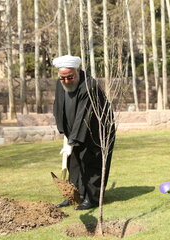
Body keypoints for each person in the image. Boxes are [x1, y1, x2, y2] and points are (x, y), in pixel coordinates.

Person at [52, 55, 115, 210]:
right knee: (74, 163)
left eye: (69, 77)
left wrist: (72, 140)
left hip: (96, 131)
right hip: (74, 131)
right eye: (63, 78)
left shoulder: (89, 85)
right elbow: (58, 107)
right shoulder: (61, 84)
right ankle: (74, 195)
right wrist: (66, 134)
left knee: (91, 162)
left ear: (77, 71)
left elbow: (84, 115)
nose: (66, 81)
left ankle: (92, 199)